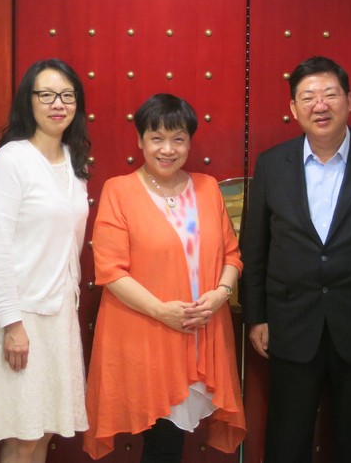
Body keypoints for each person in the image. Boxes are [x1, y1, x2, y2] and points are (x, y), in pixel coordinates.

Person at [240, 56, 351, 462]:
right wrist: (256, 315)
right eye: (308, 97)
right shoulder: (271, 164)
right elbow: (256, 246)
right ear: (293, 109)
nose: (321, 105)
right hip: (290, 323)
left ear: (349, 100)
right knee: (287, 437)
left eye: (330, 94)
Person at [84, 94, 246, 461]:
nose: (167, 149)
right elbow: (111, 271)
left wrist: (221, 294)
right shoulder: (119, 190)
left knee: (173, 439)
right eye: (157, 138)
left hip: (202, 331)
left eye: (178, 139)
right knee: (162, 438)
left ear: (190, 141)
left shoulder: (207, 188)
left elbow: (232, 256)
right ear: (140, 140)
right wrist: (162, 311)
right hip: (148, 332)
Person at [0, 59, 91, 461]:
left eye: (67, 95)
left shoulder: (75, 162)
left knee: (43, 432)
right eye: (47, 94)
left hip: (58, 314)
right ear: (30, 100)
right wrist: (12, 324)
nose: (58, 104)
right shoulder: (12, 160)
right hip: (22, 315)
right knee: (20, 436)